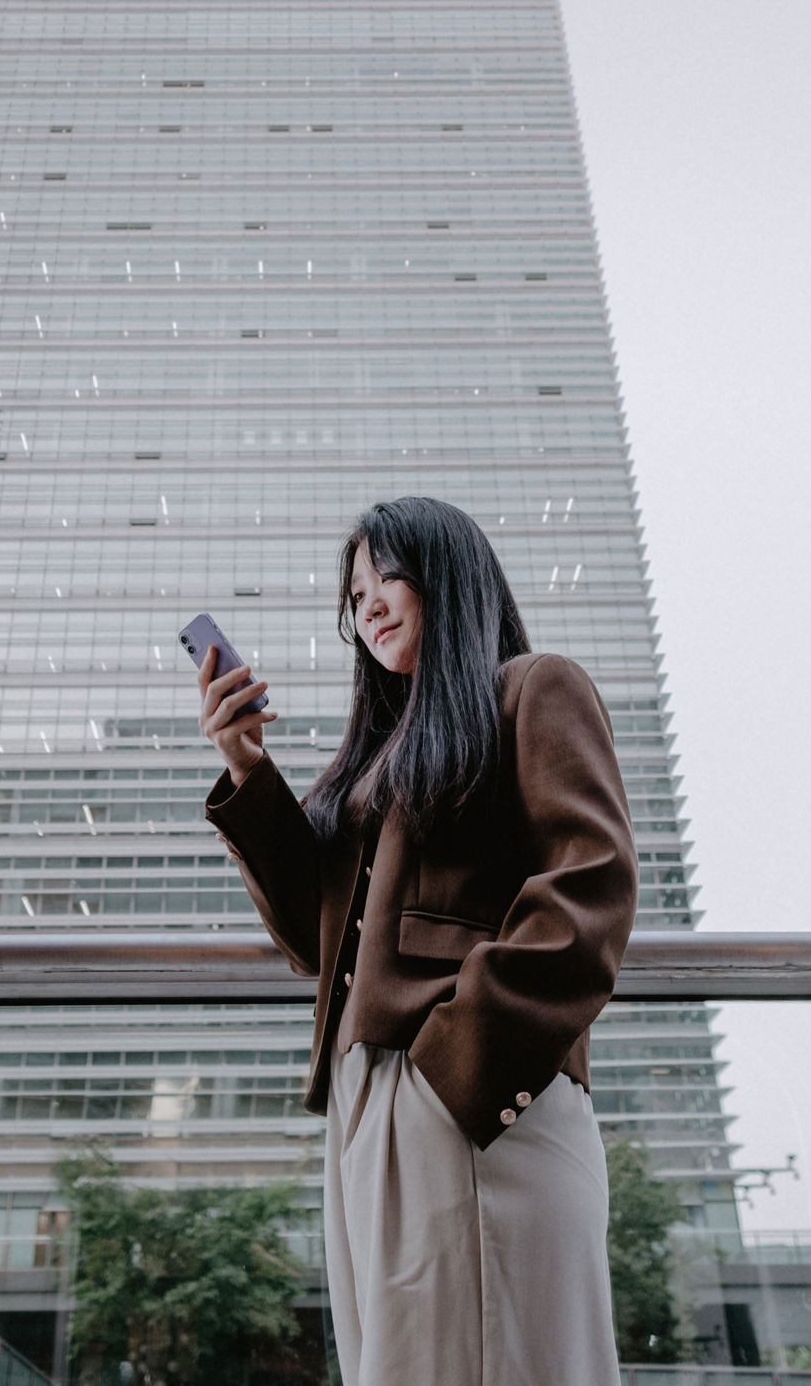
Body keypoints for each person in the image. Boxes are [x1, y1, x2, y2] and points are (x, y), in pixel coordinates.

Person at [194, 494, 636, 1385]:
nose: (369, 606)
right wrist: (246, 765)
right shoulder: (378, 764)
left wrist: (452, 1067)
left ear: (449, 574)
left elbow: (590, 888)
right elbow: (318, 941)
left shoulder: (533, 688)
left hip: (470, 1092)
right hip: (368, 1107)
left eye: (386, 576)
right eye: (355, 596)